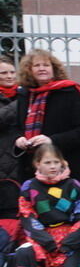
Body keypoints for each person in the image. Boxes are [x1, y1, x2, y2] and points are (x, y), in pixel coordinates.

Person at [15, 50, 80, 197]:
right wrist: (19, 139)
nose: (42, 68)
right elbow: (18, 127)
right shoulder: (25, 95)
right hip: (34, 170)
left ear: (54, 69)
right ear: (29, 70)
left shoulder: (70, 92)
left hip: (66, 168)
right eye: (37, 65)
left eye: (46, 65)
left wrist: (52, 140)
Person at [0, 56, 21, 225]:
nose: (9, 76)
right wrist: (20, 103)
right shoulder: (22, 99)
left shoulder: (22, 94)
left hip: (22, 161)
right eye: (4, 73)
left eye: (12, 72)